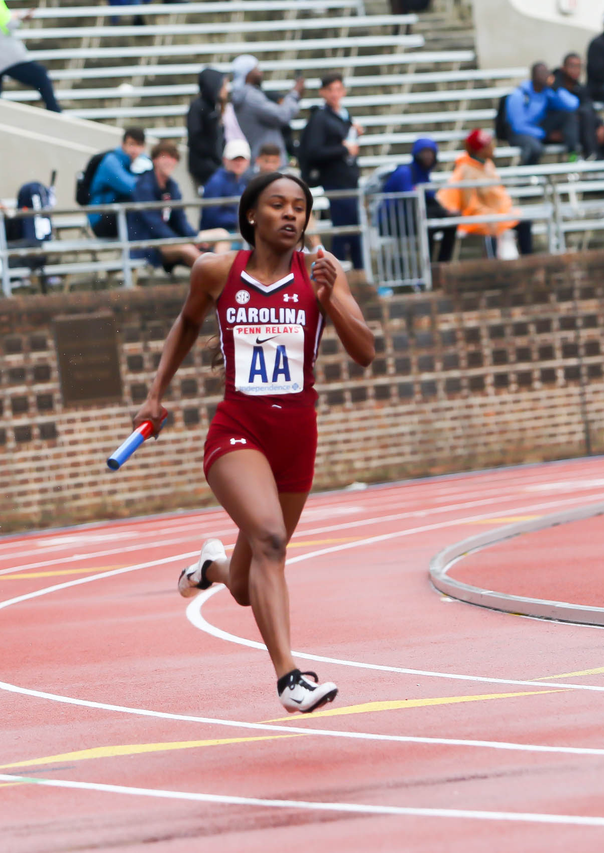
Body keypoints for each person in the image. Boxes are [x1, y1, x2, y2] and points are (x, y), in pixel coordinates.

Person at [136, 172, 373, 713]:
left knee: (245, 583)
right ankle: (290, 677)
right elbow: (187, 323)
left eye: (300, 208)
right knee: (270, 539)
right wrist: (154, 395)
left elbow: (366, 351)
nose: (291, 215)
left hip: (297, 435)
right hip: (238, 430)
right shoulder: (216, 271)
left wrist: (328, 296)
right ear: (251, 216)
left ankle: (208, 571)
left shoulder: (324, 273)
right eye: (277, 205)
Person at [436, 129, 532, 259]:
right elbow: (469, 204)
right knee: (490, 226)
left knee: (525, 221)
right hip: (476, 217)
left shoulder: (487, 165)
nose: (493, 147)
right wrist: (491, 215)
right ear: (480, 150)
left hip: (497, 213)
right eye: (488, 145)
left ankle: (529, 262)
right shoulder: (466, 170)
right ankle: (493, 267)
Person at [300, 72, 363, 269]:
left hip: (348, 180)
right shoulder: (320, 118)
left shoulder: (342, 116)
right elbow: (313, 151)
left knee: (353, 230)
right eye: (330, 90)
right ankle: (335, 271)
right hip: (335, 181)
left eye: (338, 89)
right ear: (322, 92)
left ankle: (357, 272)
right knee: (343, 230)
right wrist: (343, 149)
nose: (334, 94)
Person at [128, 141, 222, 270]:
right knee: (187, 249)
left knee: (222, 235)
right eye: (164, 157)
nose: (169, 161)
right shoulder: (143, 185)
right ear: (154, 160)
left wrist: (193, 238)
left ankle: (219, 276)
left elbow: (180, 219)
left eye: (172, 157)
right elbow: (154, 225)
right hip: (150, 244)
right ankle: (216, 276)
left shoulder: (172, 186)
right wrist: (186, 241)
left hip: (173, 239)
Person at [380, 137, 455, 262]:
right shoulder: (405, 172)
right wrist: (442, 212)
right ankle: (428, 266)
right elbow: (412, 200)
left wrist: (446, 212)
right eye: (424, 152)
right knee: (427, 223)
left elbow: (431, 200)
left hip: (413, 217)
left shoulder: (423, 174)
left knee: (451, 222)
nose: (428, 156)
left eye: (431, 153)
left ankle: (442, 263)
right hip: (394, 220)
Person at [505, 62, 581, 166]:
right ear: (533, 75)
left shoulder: (547, 92)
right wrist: (544, 134)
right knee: (535, 148)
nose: (545, 75)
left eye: (546, 72)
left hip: (539, 130)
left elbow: (573, 104)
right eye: (541, 72)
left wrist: (555, 86)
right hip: (521, 133)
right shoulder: (518, 95)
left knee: (568, 116)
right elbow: (517, 126)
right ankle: (526, 176)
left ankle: (573, 156)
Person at [230, 54, 303, 161]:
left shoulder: (245, 95)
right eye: (257, 69)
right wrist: (294, 94)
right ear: (248, 73)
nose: (261, 73)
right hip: (267, 163)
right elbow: (282, 115)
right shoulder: (251, 97)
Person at [553, 52, 604, 161]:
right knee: (585, 114)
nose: (576, 70)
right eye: (572, 66)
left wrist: (600, 125)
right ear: (563, 68)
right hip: (563, 129)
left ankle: (602, 167)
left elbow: (589, 107)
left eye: (579, 66)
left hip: (582, 127)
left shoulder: (580, 88)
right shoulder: (555, 86)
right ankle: (591, 154)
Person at [87, 126, 147, 238]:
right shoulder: (111, 162)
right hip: (101, 219)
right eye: (131, 144)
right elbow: (132, 188)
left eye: (138, 145)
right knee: (137, 205)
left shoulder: (143, 161)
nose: (135, 149)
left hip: (119, 215)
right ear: (122, 144)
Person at [187, 68, 227, 187]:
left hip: (216, 163)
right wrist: (214, 157)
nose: (226, 90)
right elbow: (196, 137)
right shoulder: (198, 107)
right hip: (205, 166)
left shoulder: (214, 107)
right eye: (224, 86)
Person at [200, 139, 250, 232]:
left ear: (248, 161)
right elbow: (211, 217)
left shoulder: (243, 181)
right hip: (221, 233)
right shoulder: (216, 182)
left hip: (236, 230)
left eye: (242, 159)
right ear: (225, 160)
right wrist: (241, 219)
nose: (239, 163)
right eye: (235, 159)